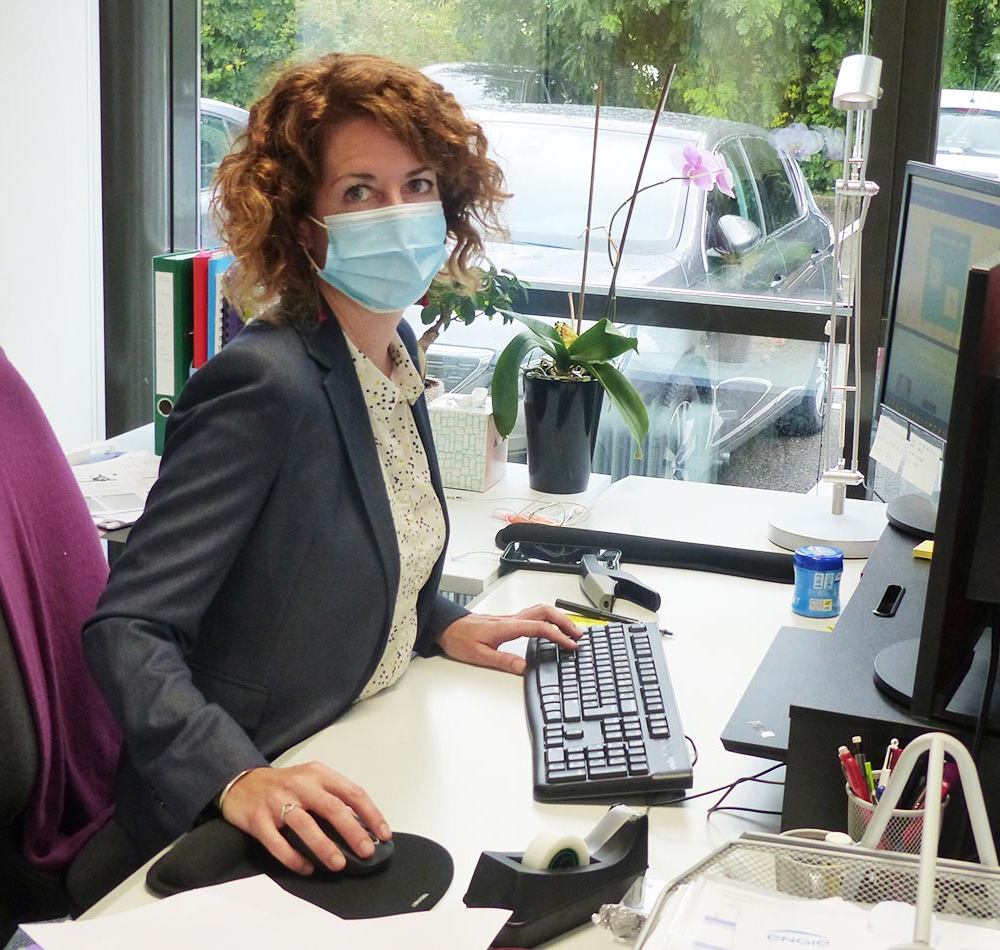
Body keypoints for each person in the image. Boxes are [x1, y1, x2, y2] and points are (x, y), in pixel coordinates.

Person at [82, 52, 581, 877]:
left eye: (418, 184)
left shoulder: (388, 352)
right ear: (301, 222)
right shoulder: (264, 384)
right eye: (360, 192)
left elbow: (337, 564)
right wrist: (234, 775)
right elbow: (128, 629)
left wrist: (440, 623)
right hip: (259, 802)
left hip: (365, 742)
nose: (399, 213)